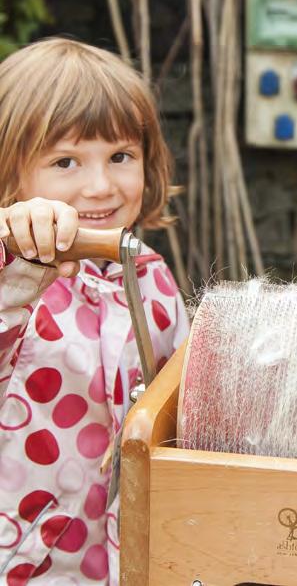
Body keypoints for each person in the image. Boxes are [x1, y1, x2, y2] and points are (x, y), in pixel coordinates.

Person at [0, 39, 189, 584]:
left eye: (121, 157)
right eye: (65, 162)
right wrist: (16, 260)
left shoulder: (148, 272)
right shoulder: (18, 283)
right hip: (29, 568)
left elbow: (175, 403)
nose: (101, 186)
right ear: (13, 179)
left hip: (130, 559)